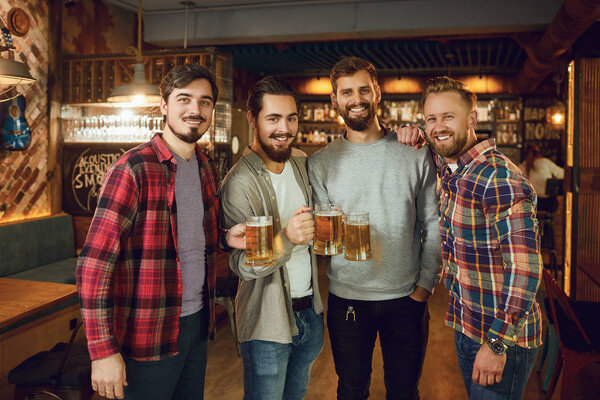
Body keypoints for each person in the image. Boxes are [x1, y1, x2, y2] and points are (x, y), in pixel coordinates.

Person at [76, 63, 242, 400]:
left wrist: (225, 238)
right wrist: (103, 352)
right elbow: (93, 266)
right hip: (146, 335)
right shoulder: (133, 169)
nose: (195, 110)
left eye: (205, 101)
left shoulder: (206, 166)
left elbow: (193, 242)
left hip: (197, 324)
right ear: (164, 105)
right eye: (184, 99)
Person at [398, 76, 543, 400]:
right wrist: (416, 135)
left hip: (501, 337)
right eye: (431, 119)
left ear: (472, 119)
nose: (439, 126)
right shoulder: (454, 167)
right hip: (468, 325)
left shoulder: (498, 177)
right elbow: (436, 144)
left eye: (448, 116)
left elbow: (525, 269)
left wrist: (496, 343)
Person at [307, 57, 441, 400]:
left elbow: (433, 222)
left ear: (377, 93)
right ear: (335, 100)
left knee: (404, 392)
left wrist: (424, 287)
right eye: (346, 91)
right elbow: (327, 238)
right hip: (347, 299)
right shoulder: (320, 163)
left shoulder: (414, 151)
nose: (356, 98)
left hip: (407, 298)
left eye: (364, 89)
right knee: (351, 391)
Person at [220, 76, 324, 400]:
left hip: (310, 313)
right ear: (253, 119)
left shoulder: (302, 162)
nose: (284, 128)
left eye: (291, 118)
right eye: (274, 118)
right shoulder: (238, 183)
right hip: (267, 325)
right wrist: (288, 238)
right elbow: (242, 265)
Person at [518, 144, 564, 211]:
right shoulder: (545, 162)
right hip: (547, 203)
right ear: (539, 153)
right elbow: (563, 174)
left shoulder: (520, 167)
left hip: (529, 205)